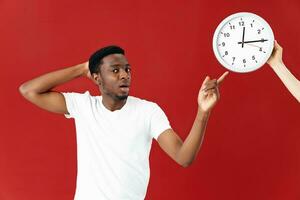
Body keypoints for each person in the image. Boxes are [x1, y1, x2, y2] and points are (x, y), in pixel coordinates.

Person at [19, 46, 228, 200]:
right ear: (96, 78)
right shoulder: (83, 106)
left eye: (127, 69)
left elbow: (184, 157)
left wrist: (202, 112)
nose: (124, 75)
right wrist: (82, 68)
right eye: (115, 70)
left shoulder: (148, 111)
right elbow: (29, 90)